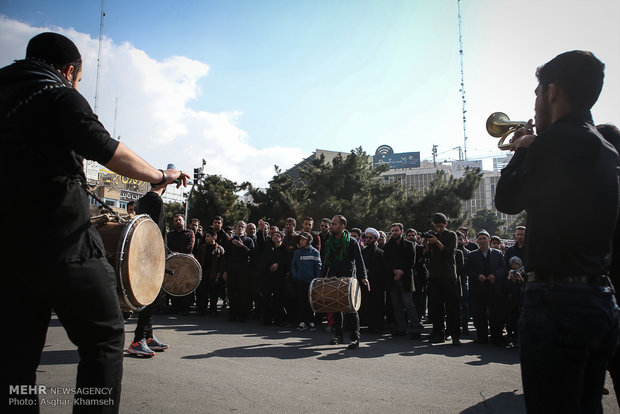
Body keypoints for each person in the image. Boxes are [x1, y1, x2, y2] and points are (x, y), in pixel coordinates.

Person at [2, 32, 189, 412]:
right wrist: (160, 175)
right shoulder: (56, 93)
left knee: (15, 360)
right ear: (69, 71)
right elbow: (106, 149)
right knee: (103, 339)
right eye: (79, 79)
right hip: (60, 242)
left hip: (7, 251)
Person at [495, 50, 619, 413]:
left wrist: (521, 151)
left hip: (556, 301)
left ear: (552, 92)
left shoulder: (554, 143)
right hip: (600, 298)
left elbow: (506, 199)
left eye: (536, 93)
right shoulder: (607, 148)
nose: (534, 105)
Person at [127, 183, 171, 356]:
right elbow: (157, 231)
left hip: (143, 252)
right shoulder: (156, 201)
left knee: (150, 298)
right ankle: (138, 340)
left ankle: (149, 336)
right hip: (153, 255)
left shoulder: (142, 200)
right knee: (149, 298)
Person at [322, 215, 370, 349]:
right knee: (335, 308)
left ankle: (355, 338)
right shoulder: (330, 241)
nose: (331, 226)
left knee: (351, 309)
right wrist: (322, 277)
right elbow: (327, 261)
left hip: (349, 280)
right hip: (333, 278)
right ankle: (338, 336)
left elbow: (359, 261)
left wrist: (363, 277)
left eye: (334, 224)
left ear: (342, 227)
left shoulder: (352, 242)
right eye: (331, 224)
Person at [423, 213, 461, 345]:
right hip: (434, 276)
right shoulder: (433, 236)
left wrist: (437, 242)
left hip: (448, 276)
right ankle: (438, 333)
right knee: (436, 308)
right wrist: (427, 244)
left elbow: (450, 252)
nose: (438, 229)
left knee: (452, 308)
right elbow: (427, 256)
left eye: (441, 226)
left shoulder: (451, 235)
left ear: (446, 224)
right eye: (436, 226)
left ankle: (455, 335)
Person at [465, 230, 508, 346]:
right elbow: (467, 270)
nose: (482, 240)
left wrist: (495, 275)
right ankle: (482, 337)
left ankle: (496, 337)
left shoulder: (498, 254)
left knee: (496, 314)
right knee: (479, 314)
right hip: (478, 289)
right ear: (477, 241)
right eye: (480, 238)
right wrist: (477, 276)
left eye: (484, 238)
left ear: (489, 240)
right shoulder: (472, 255)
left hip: (494, 289)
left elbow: (504, 268)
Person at [383, 223, 424, 340]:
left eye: (396, 230)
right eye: (392, 231)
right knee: (397, 305)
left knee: (409, 304)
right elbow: (386, 262)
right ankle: (401, 327)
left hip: (405, 278)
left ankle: (416, 328)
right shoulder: (387, 246)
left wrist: (401, 272)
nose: (394, 232)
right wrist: (394, 272)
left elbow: (411, 261)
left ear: (402, 231)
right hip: (393, 279)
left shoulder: (410, 245)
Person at [223, 221, 255, 322]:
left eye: (242, 227)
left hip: (244, 271)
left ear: (245, 229)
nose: (240, 228)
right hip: (232, 271)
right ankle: (233, 314)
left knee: (243, 293)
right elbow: (226, 258)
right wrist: (225, 271)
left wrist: (242, 246)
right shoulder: (230, 241)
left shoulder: (249, 240)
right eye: (238, 226)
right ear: (235, 229)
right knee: (232, 293)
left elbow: (252, 254)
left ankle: (243, 314)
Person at [291, 232, 322, 330]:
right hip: (300, 281)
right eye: (301, 239)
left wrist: (317, 279)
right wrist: (296, 276)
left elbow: (318, 267)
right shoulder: (297, 253)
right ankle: (302, 321)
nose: (301, 241)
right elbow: (293, 266)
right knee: (301, 301)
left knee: (310, 302)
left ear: (309, 241)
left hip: (311, 282)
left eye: (304, 239)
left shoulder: (315, 252)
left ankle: (311, 321)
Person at [167, 214, 196, 314]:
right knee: (174, 284)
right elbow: (167, 247)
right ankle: (175, 306)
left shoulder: (190, 232)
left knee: (185, 285)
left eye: (179, 220)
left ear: (184, 221)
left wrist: (178, 254)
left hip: (185, 263)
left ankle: (185, 307)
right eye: (175, 221)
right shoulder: (170, 234)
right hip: (173, 264)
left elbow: (190, 247)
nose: (177, 222)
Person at [360, 228, 387, 334]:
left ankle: (378, 326)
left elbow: (382, 269)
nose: (367, 239)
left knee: (377, 305)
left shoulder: (380, 252)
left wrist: (370, 270)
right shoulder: (363, 251)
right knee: (366, 304)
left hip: (377, 284)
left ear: (375, 239)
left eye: (370, 238)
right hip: (365, 283)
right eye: (366, 237)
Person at [196, 227, 225, 316]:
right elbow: (198, 260)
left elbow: (222, 262)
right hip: (203, 272)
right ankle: (202, 309)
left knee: (213, 293)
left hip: (214, 274)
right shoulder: (202, 248)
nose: (206, 238)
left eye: (208, 236)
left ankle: (213, 310)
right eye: (206, 236)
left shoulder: (219, 249)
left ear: (214, 237)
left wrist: (219, 273)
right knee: (203, 292)